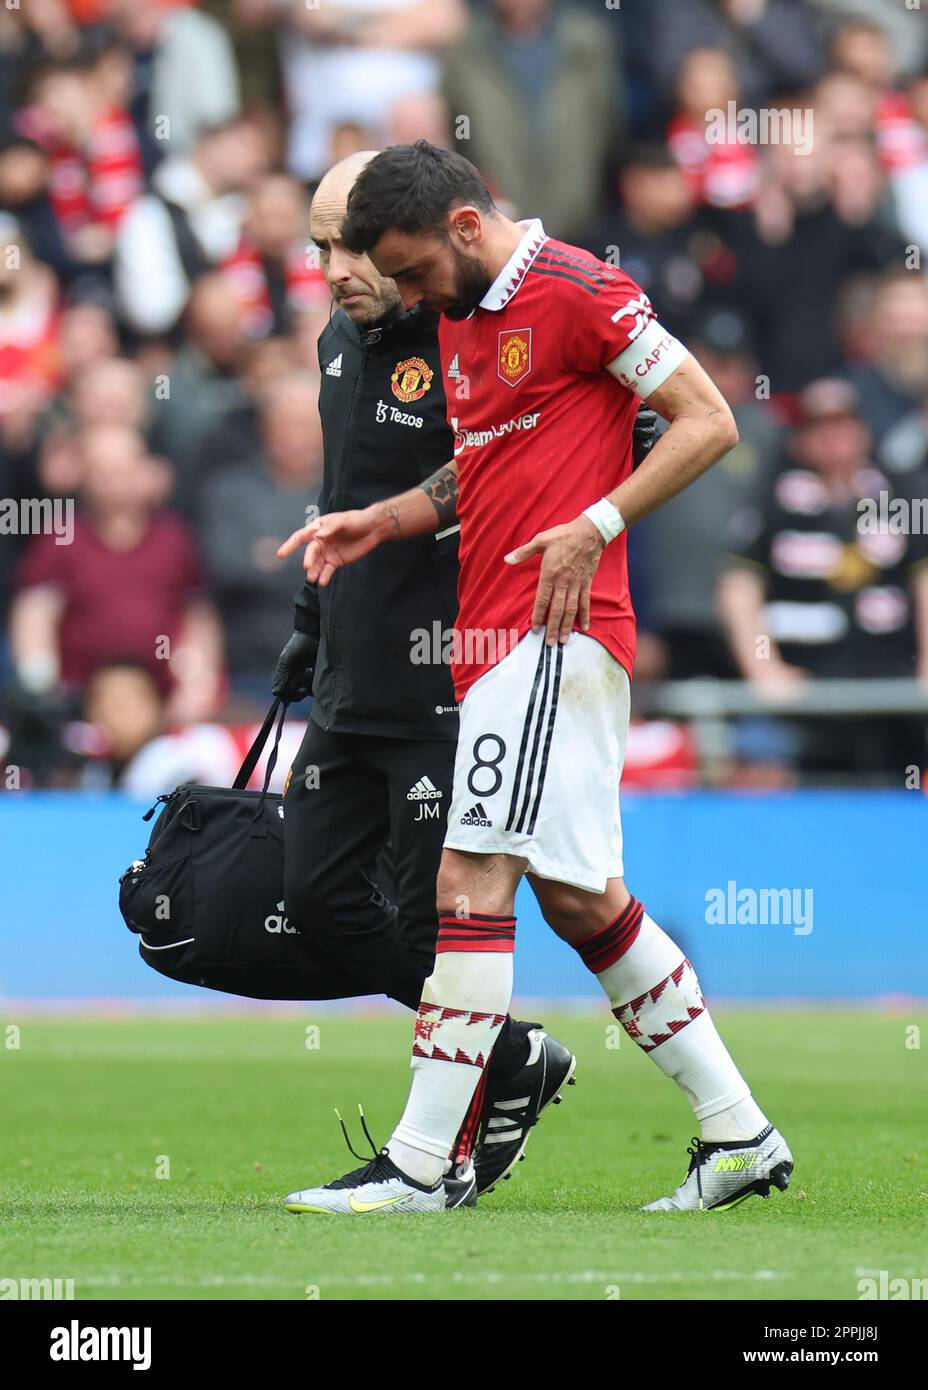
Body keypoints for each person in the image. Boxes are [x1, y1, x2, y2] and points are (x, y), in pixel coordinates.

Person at [279, 141, 793, 1215]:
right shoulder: (465, 316)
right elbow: (482, 464)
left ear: (465, 227)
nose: (408, 294)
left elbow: (709, 419)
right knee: (579, 897)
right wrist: (388, 517)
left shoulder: (581, 291)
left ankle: (424, 1166)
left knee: (467, 884)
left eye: (413, 270)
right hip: (498, 636)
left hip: (555, 632)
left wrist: (595, 523)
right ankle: (738, 1132)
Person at [270, 153, 577, 1206]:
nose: (332, 270)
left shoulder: (466, 333)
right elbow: (337, 491)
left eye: (348, 247)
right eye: (317, 246)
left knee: (429, 917)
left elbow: (598, 432)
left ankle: (428, 1155)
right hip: (351, 670)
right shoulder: (337, 341)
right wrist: (307, 627)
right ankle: (512, 1057)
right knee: (313, 893)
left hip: (450, 667)